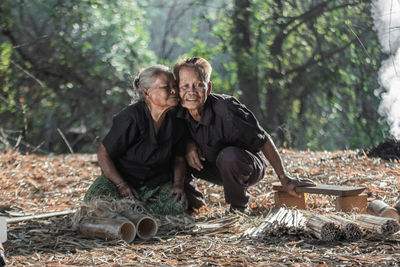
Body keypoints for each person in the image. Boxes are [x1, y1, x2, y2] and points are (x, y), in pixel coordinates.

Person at [173, 57, 315, 212]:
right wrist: (188, 145)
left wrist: (284, 178)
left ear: (208, 89)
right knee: (171, 156)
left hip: (245, 164)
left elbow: (264, 139)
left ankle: (239, 209)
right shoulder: (176, 112)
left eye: (198, 85)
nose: (191, 92)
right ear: (177, 90)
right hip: (211, 166)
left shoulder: (226, 109)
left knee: (229, 156)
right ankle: (196, 208)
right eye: (185, 86)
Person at [84, 64, 204, 215]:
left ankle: (137, 215)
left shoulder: (176, 120)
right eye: (166, 87)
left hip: (154, 184)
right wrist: (121, 185)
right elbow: (103, 154)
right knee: (97, 205)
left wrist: (178, 185)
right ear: (147, 92)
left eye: (175, 85)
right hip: (120, 181)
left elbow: (179, 159)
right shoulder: (130, 117)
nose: (174, 90)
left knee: (177, 207)